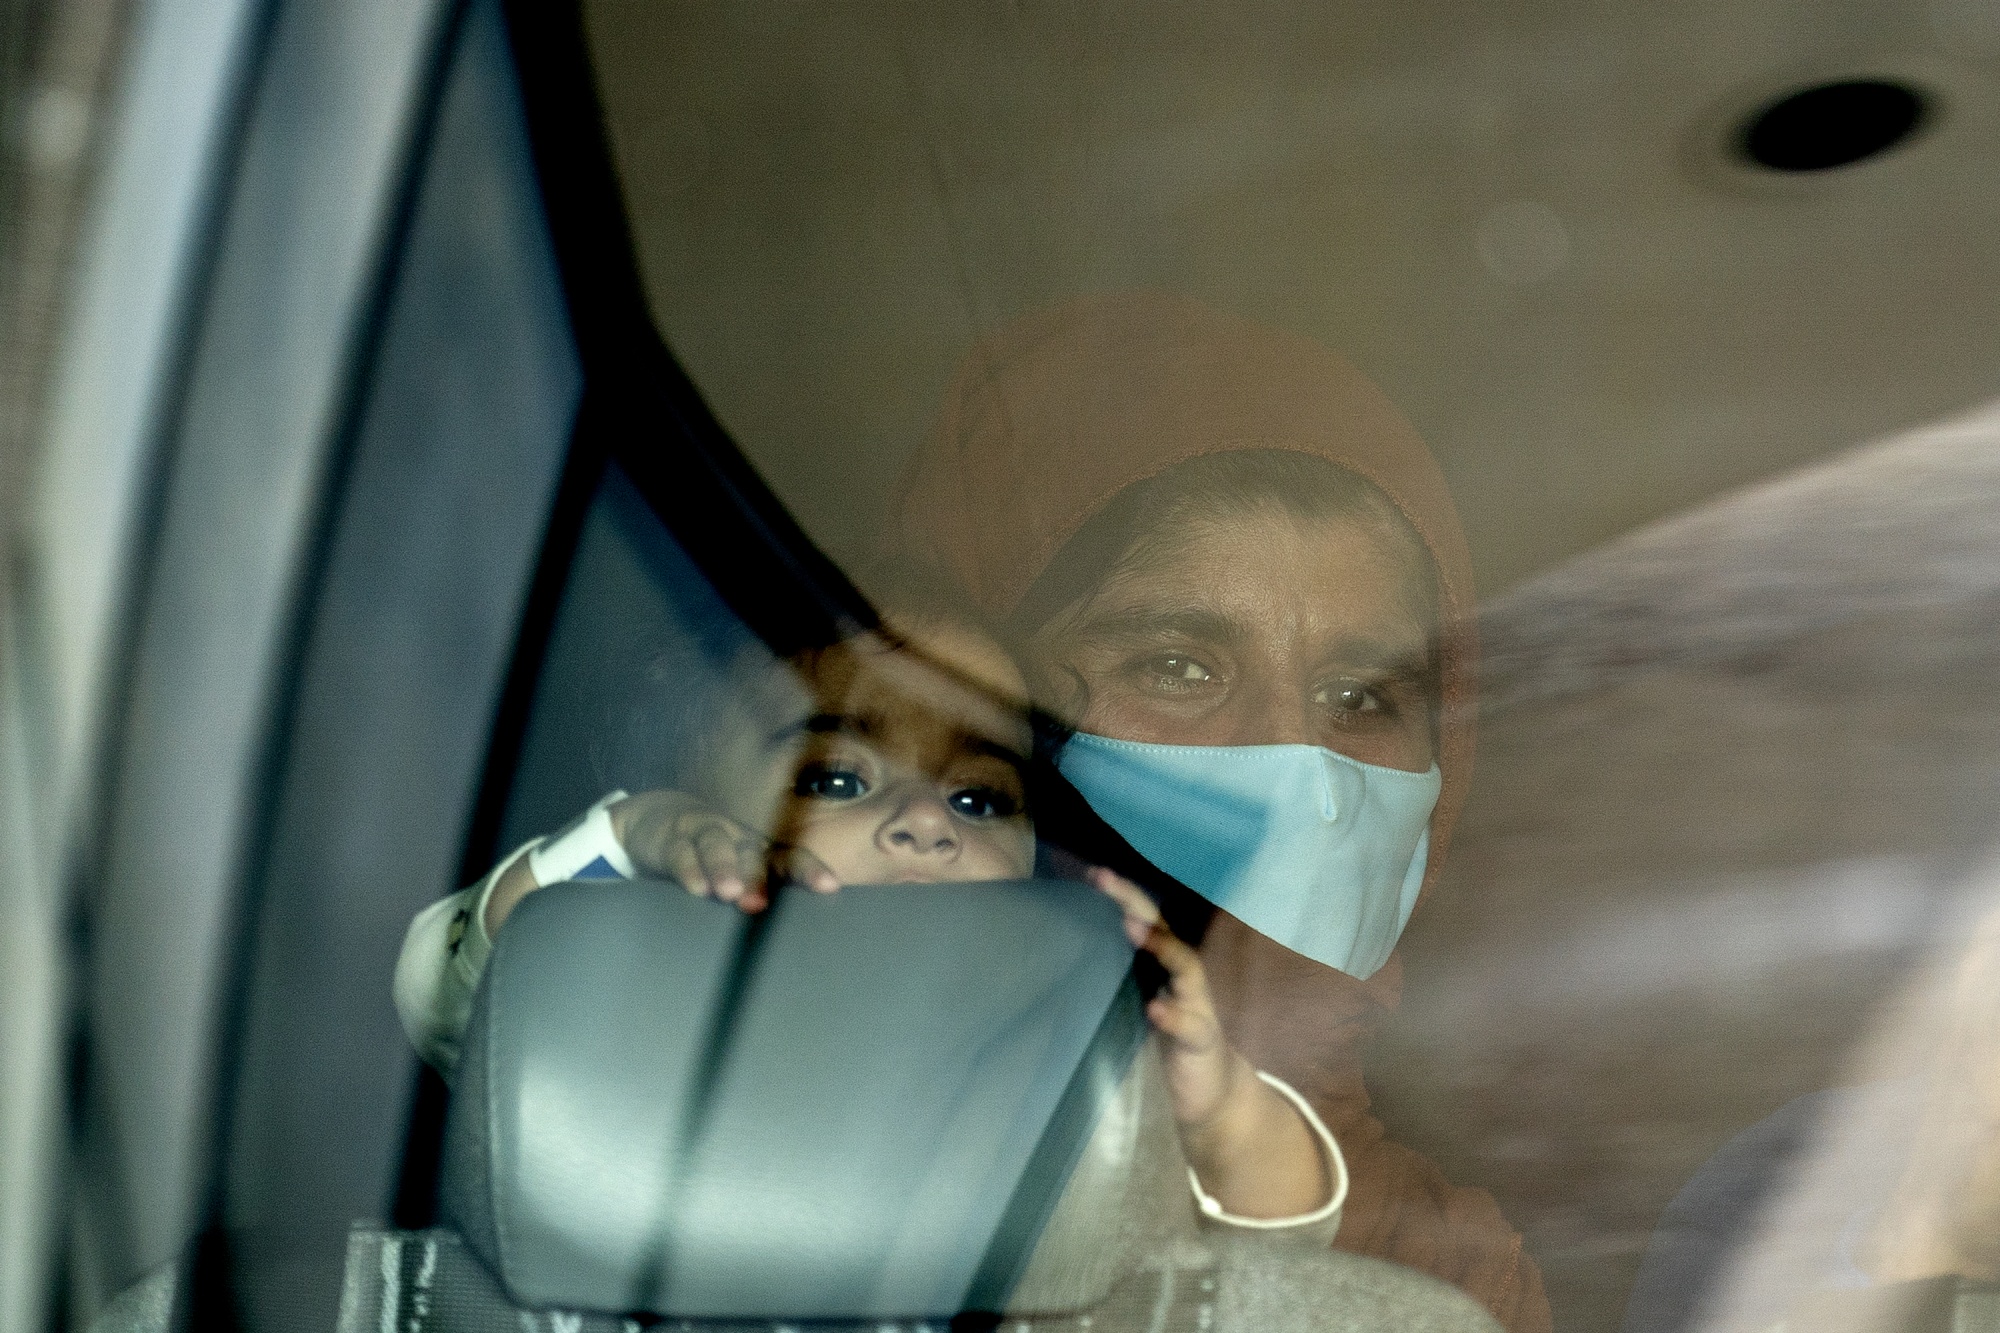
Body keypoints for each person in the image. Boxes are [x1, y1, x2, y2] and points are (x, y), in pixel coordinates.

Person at [888, 291, 1551, 1333]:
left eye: (1363, 696)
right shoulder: (804, 1134)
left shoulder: (1447, 1275)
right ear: (993, 709)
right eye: (1177, 665)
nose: (1287, 756)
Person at [394, 594, 1349, 1238]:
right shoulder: (632, 1012)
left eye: (980, 800)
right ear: (698, 819)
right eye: (835, 779)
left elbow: (1282, 1251)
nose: (926, 821)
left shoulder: (1050, 1055)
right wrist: (627, 833)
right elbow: (451, 988)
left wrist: (1216, 1108)